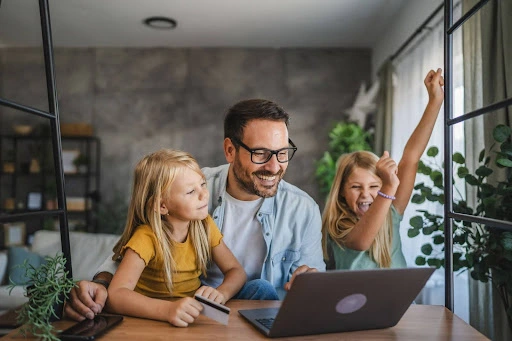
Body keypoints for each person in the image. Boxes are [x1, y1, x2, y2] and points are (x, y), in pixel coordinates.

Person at [65, 99, 326, 321]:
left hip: (265, 314)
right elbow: (130, 251)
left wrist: (312, 282)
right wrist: (100, 284)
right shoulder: (189, 187)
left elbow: (312, 282)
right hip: (201, 310)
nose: (274, 166)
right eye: (260, 154)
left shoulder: (303, 209)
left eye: (282, 153)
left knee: (261, 287)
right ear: (230, 150)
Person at [106, 149, 246, 327]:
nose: (204, 195)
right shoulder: (146, 237)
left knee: (261, 288)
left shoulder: (204, 226)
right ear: (162, 205)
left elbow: (236, 270)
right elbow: (115, 295)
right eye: (190, 192)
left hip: (189, 317)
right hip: (152, 321)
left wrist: (222, 293)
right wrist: (168, 310)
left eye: (203, 184)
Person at [322, 68, 444, 270]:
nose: (366, 194)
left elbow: (411, 157)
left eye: (373, 186)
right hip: (358, 302)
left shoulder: (392, 212)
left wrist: (435, 101)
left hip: (399, 300)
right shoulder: (338, 226)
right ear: (342, 191)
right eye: (355, 187)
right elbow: (362, 242)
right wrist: (386, 187)